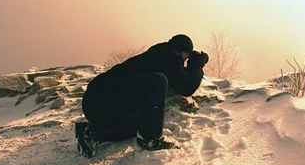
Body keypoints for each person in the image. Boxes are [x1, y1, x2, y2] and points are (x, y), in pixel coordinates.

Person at [75, 34, 209, 158]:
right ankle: (150, 139)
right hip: (102, 101)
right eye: (188, 56)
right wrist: (197, 66)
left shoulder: (160, 53)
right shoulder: (169, 56)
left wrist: (193, 67)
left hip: (96, 102)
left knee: (143, 123)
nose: (186, 60)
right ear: (183, 52)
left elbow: (178, 77)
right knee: (159, 80)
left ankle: (91, 132)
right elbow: (186, 87)